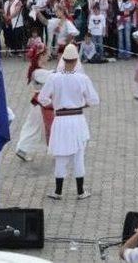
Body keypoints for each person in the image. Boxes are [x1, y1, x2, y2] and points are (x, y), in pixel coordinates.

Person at [38, 43, 99, 200]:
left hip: (61, 120)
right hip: (77, 119)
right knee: (79, 155)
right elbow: (94, 100)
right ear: (76, 60)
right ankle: (80, 191)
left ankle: (58, 191)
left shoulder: (54, 78)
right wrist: (81, 104)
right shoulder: (82, 78)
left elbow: (42, 98)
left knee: (60, 155)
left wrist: (55, 105)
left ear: (63, 59)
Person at [16, 43, 52, 162]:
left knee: (35, 126)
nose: (48, 56)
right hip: (40, 104)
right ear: (40, 56)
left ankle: (23, 148)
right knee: (34, 127)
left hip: (41, 103)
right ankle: (22, 148)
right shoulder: (37, 72)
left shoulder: (39, 71)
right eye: (46, 54)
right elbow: (53, 76)